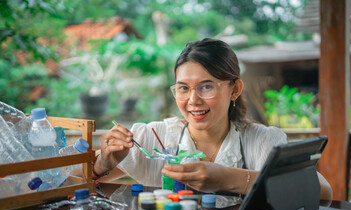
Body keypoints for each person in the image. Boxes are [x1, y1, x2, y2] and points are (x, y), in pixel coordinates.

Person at [75, 38, 332, 200]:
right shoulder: (155, 138)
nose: (193, 100)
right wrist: (102, 164)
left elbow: (322, 192)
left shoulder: (262, 141)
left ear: (235, 89)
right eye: (183, 88)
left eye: (206, 87)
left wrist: (230, 179)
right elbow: (68, 184)